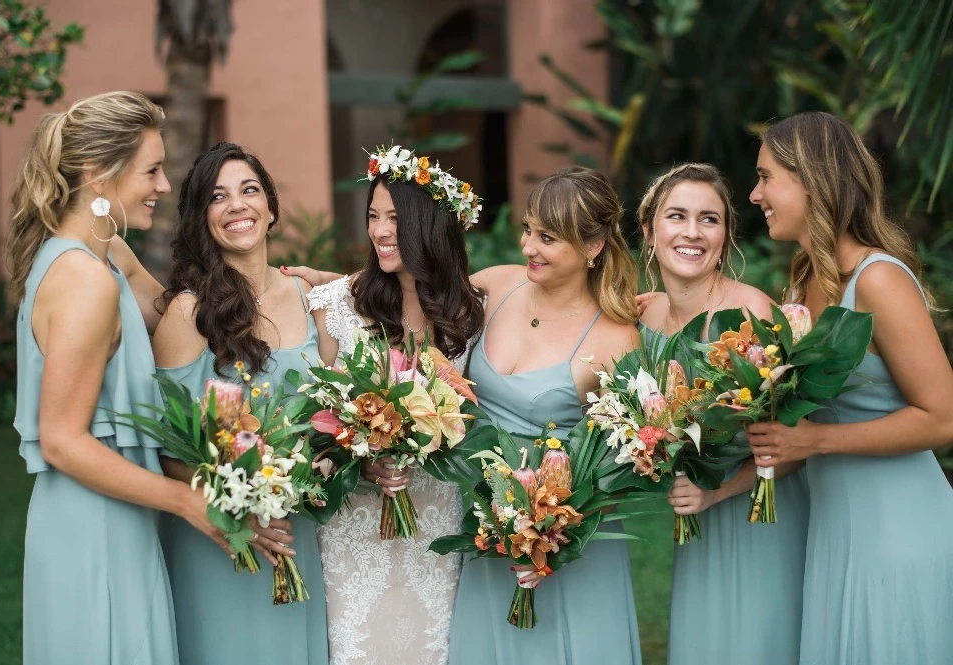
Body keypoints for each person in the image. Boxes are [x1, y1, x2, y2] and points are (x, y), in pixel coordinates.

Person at [7, 90, 226, 664]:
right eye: (151, 171)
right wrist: (185, 500)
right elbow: (61, 438)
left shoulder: (105, 255)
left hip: (112, 509)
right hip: (94, 522)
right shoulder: (85, 279)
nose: (162, 186)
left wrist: (300, 285)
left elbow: (185, 317)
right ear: (98, 176)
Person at [746, 111, 953, 664]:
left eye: (766, 178)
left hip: (897, 531)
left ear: (813, 180)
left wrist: (813, 443)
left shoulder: (878, 278)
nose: (753, 193)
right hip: (835, 529)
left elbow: (943, 417)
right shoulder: (805, 277)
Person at [447, 166, 643, 664]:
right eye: (528, 229)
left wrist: (551, 532)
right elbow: (411, 300)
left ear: (592, 247)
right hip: (483, 515)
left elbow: (617, 461)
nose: (528, 246)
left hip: (560, 539)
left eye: (547, 237)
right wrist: (327, 286)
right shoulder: (497, 286)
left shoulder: (615, 339)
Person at [304, 145, 485, 665]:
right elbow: (315, 411)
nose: (381, 230)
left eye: (396, 218)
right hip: (355, 524)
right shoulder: (336, 305)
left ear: (430, 227)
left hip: (436, 519)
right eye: (373, 216)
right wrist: (360, 454)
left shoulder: (471, 312)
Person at [151, 142, 332, 664]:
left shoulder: (309, 296)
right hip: (222, 535)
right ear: (200, 218)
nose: (237, 205)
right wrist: (241, 509)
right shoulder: (190, 313)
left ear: (271, 208)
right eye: (218, 196)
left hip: (301, 530)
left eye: (249, 190)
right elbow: (170, 448)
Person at [636, 163, 809, 664]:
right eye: (677, 216)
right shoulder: (642, 315)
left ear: (726, 236)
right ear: (649, 229)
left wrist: (718, 491)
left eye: (709, 219)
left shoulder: (750, 314)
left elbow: (800, 443)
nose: (692, 232)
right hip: (698, 521)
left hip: (759, 514)